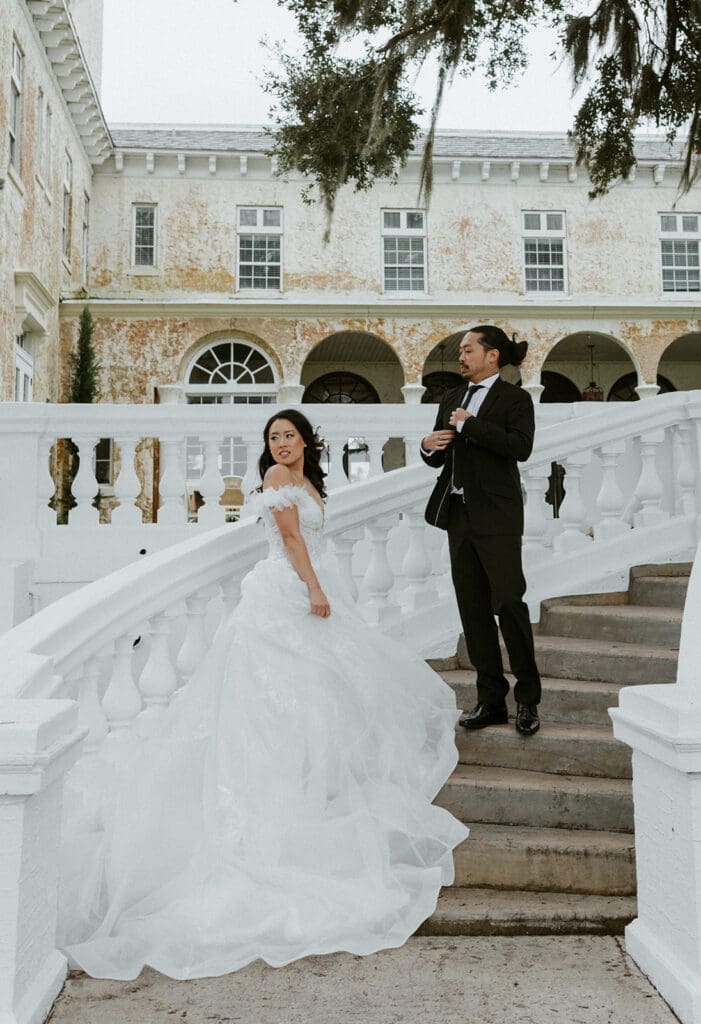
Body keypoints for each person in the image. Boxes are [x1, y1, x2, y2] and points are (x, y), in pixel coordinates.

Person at [58, 408, 468, 980]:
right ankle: (273, 808)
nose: (279, 444)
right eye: (272, 438)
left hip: (298, 595)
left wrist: (320, 590)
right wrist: (316, 589)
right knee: (273, 708)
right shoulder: (279, 483)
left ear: (306, 442)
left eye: (288, 436)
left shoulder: (307, 482)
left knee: (310, 702)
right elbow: (294, 540)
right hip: (285, 597)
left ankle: (306, 795)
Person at [420, 326, 542, 736]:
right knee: (472, 611)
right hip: (458, 517)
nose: (461, 355)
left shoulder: (516, 398)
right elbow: (438, 461)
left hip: (498, 518)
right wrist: (428, 444)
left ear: (492, 356)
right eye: (460, 350)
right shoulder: (452, 397)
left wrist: (471, 426)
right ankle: (491, 700)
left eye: (468, 349)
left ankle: (527, 699)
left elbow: (520, 447)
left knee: (508, 603)